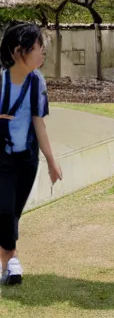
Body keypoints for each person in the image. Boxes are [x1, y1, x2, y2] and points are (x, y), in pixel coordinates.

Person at [0, 22, 62, 285]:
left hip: (27, 158)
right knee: (4, 209)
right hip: (2, 157)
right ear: (18, 52)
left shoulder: (37, 82)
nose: (42, 54)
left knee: (13, 210)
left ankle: (7, 258)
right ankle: (11, 260)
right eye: (37, 48)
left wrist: (50, 161)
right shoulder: (1, 80)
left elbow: (39, 122)